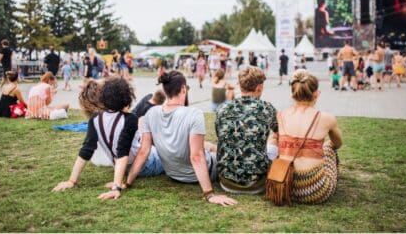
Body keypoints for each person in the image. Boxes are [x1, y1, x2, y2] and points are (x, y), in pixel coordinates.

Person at [125, 71, 237, 206]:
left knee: (210, 147)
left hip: (173, 174)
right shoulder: (194, 113)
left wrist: (127, 183)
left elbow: (144, 152)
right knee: (227, 153)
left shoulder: (151, 113)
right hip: (199, 173)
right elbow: (196, 156)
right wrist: (209, 194)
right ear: (184, 89)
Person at [52, 76, 139, 198]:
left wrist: (71, 180)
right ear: (128, 97)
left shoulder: (96, 118)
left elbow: (87, 149)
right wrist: (116, 187)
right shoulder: (130, 119)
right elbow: (123, 154)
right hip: (140, 166)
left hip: (121, 167)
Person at [270, 69, 343, 204]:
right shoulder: (327, 118)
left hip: (285, 184)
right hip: (315, 190)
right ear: (316, 94)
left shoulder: (280, 115)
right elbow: (338, 143)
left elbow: (276, 139)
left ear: (293, 94)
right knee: (329, 148)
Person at [215, 66, 278, 194]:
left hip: (227, 182)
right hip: (258, 183)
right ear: (259, 87)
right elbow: (281, 134)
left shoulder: (222, 108)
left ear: (240, 85)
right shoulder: (267, 108)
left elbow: (220, 136)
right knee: (275, 141)